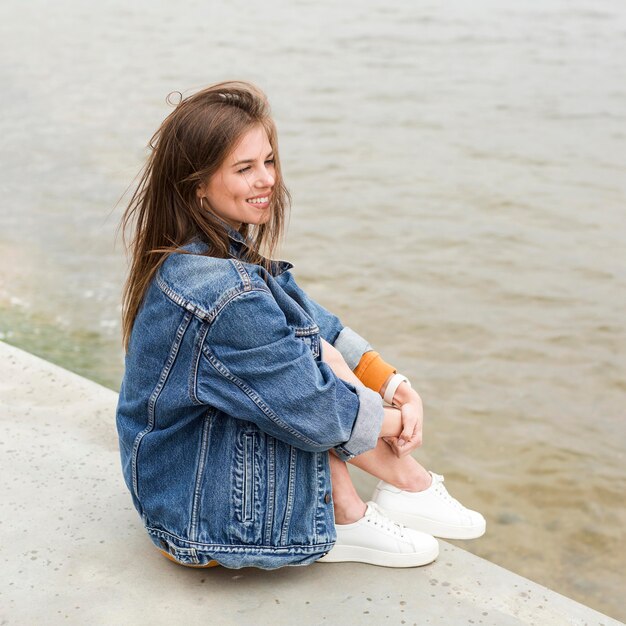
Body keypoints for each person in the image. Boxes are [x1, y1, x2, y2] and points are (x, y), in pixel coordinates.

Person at [116, 80, 485, 570]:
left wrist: (391, 381)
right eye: (244, 168)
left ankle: (399, 489)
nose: (267, 179)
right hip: (198, 519)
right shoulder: (221, 291)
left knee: (307, 352)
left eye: (268, 161)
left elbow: (311, 318)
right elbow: (311, 407)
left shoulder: (204, 252)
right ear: (197, 183)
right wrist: (396, 422)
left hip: (179, 484)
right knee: (307, 376)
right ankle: (356, 510)